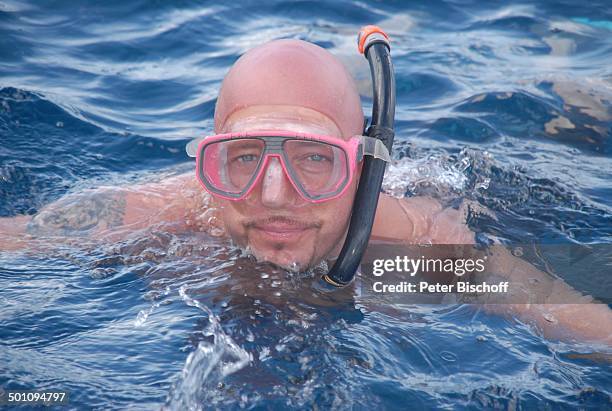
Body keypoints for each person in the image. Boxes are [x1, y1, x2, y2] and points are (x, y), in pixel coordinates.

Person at [0, 38, 610, 344]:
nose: (272, 196)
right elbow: (19, 240)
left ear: (363, 166)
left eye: (315, 160)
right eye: (240, 159)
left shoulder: (422, 245)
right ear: (204, 166)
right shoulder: (163, 215)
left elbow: (574, 319)